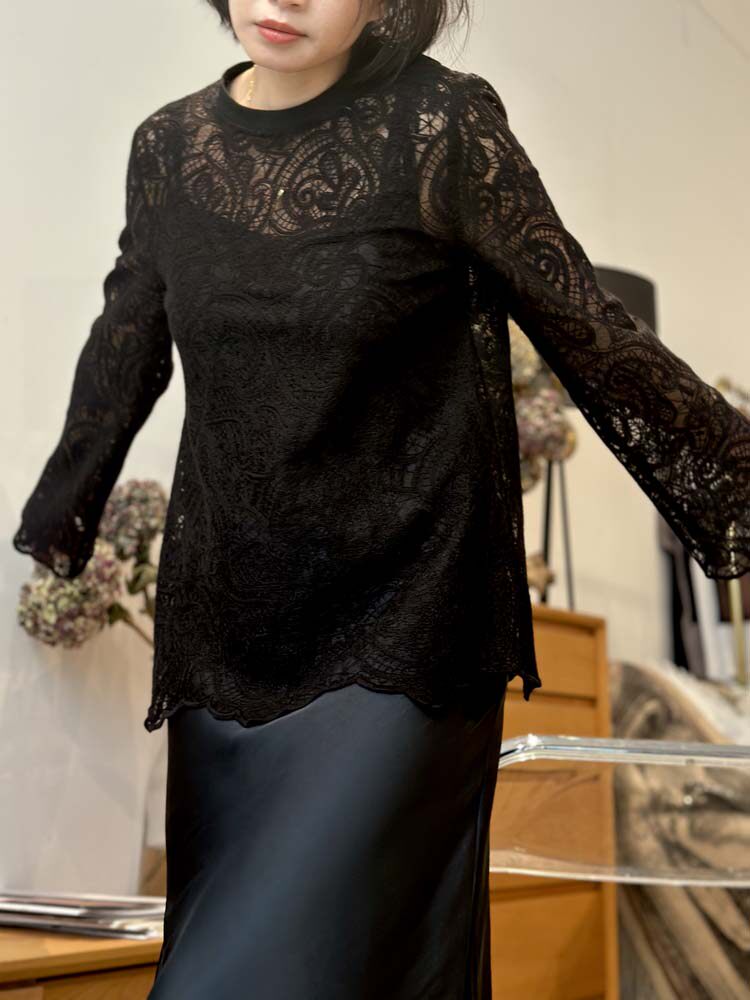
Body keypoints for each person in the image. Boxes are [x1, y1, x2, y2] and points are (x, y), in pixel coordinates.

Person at [12, 1, 750, 997]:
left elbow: (587, 325)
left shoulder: (441, 125)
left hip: (408, 628)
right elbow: (127, 333)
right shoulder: (168, 148)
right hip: (230, 640)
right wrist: (59, 515)